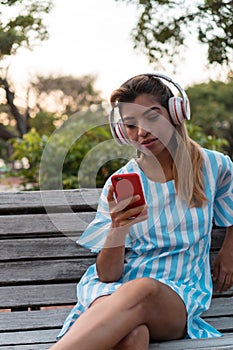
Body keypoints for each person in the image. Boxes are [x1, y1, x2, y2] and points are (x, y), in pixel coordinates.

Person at [50, 73, 233, 350]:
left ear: (176, 113)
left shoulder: (213, 166)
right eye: (131, 125)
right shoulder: (119, 183)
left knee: (143, 289)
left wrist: (229, 248)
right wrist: (118, 227)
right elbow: (108, 275)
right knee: (134, 337)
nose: (142, 132)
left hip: (178, 293)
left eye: (152, 117)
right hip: (114, 291)